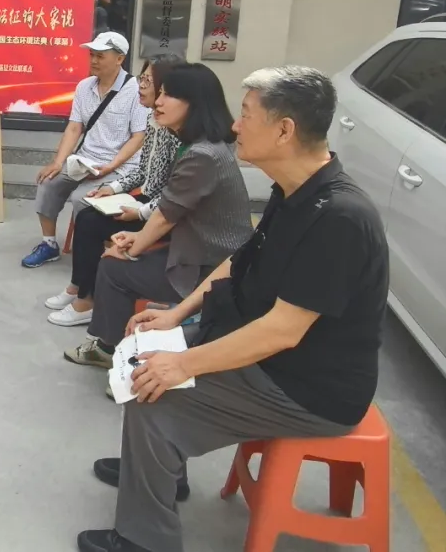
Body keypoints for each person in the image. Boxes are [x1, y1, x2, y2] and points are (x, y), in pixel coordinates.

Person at [77, 66, 388, 552]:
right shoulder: (296, 191)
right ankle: (160, 470)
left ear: (284, 130)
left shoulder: (340, 219)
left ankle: (145, 539)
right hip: (269, 351)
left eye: (246, 115)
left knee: (153, 396)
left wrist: (183, 364)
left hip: (306, 387)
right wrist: (176, 316)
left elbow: (282, 332)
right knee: (145, 354)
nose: (236, 125)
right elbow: (239, 260)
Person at [64, 63, 252, 366]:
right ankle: (97, 322)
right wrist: (136, 236)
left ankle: (109, 350)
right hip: (197, 249)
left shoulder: (202, 154)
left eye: (168, 95)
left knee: (113, 267)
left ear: (195, 103)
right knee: (101, 234)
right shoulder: (199, 145)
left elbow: (166, 215)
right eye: (158, 91)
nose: (158, 101)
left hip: (210, 266)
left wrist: (133, 247)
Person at [45, 55, 184, 325]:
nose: (140, 86)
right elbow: (144, 171)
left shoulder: (175, 132)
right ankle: (78, 288)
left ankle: (86, 302)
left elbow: (174, 194)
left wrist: (140, 212)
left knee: (90, 222)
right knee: (88, 214)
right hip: (151, 200)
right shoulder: (154, 120)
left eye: (148, 81)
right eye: (141, 78)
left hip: (166, 213)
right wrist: (112, 188)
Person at [22, 32, 150, 268]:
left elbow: (138, 137)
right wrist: (58, 162)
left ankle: (89, 256)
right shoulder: (84, 86)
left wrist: (110, 166)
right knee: (48, 183)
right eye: (92, 55)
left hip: (120, 166)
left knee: (82, 199)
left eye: (100, 56)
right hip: (84, 161)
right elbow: (74, 127)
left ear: (119, 59)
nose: (93, 61)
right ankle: (49, 244)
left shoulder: (134, 91)